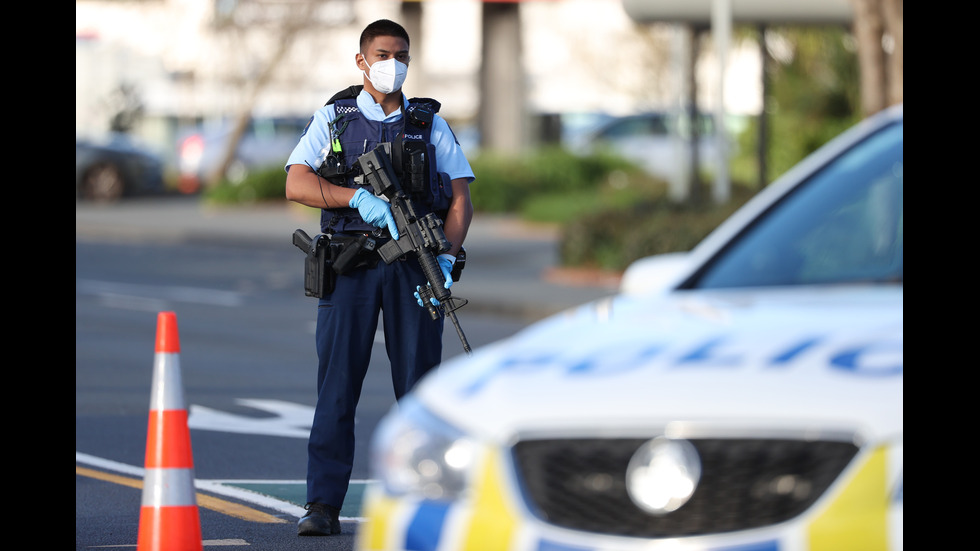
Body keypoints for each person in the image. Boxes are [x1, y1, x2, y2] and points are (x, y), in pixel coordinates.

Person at [283, 19, 475, 536]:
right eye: (384, 54)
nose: (394, 63)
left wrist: (448, 260)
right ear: (362, 61)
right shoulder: (335, 117)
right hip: (353, 267)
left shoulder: (428, 121)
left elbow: (460, 197)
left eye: (402, 55)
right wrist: (355, 197)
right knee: (338, 386)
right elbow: (297, 181)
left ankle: (425, 503)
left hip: (414, 267)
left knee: (418, 391)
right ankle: (322, 505)